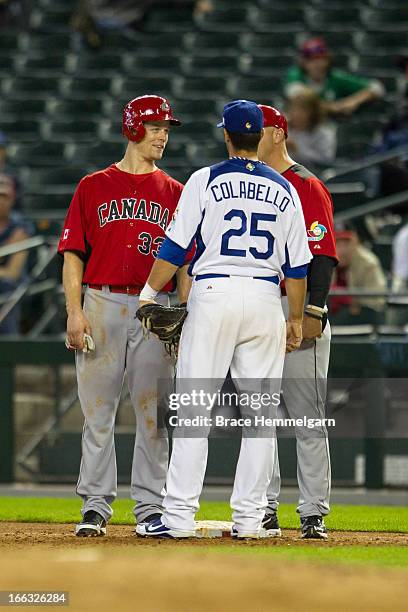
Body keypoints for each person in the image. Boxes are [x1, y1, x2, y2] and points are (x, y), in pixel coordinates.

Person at [136, 99, 311, 539]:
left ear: (227, 135)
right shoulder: (285, 187)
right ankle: (251, 520)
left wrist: (149, 293)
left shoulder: (205, 179)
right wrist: (293, 319)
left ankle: (177, 518)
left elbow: (176, 248)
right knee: (260, 417)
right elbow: (297, 267)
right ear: (259, 137)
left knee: (194, 410)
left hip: (213, 293)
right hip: (265, 299)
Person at [58, 95, 192, 537]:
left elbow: (187, 263)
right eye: (155, 127)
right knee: (97, 413)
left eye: (166, 129)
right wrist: (74, 312)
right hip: (101, 302)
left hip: (154, 309)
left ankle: (151, 508)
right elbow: (73, 254)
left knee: (152, 415)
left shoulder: (175, 192)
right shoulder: (92, 186)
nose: (163, 135)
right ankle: (95, 506)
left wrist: (184, 310)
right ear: (133, 128)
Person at [257, 104, 338, 539]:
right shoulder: (254, 185)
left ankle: (312, 513)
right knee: (261, 417)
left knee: (307, 416)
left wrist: (312, 311)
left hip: (299, 312)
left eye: (259, 129)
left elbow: (322, 255)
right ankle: (264, 507)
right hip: (260, 314)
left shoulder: (305, 185)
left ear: (276, 133)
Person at [284, 37, 384, 117]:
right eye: (311, 60)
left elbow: (376, 88)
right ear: (304, 63)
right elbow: (297, 95)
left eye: (321, 59)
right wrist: (335, 107)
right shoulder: (296, 75)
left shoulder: (335, 77)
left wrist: (352, 102)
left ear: (328, 60)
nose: (317, 64)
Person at [330, 230, 386, 325]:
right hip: (333, 314)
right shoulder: (326, 260)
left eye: (347, 244)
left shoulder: (368, 263)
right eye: (338, 244)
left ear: (356, 243)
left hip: (363, 315)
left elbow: (378, 299)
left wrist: (351, 300)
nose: (343, 250)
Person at [0, 175, 29, 334]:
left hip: (17, 286)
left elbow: (12, 273)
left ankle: (8, 346)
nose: (0, 201)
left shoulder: (20, 227)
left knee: (6, 287)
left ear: (12, 199)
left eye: (4, 196)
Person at [286, 87, 336, 168]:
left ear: (313, 112)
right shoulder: (283, 128)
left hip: (313, 175)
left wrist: (297, 149)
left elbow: (325, 160)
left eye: (302, 110)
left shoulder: (324, 133)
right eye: (294, 109)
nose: (296, 114)